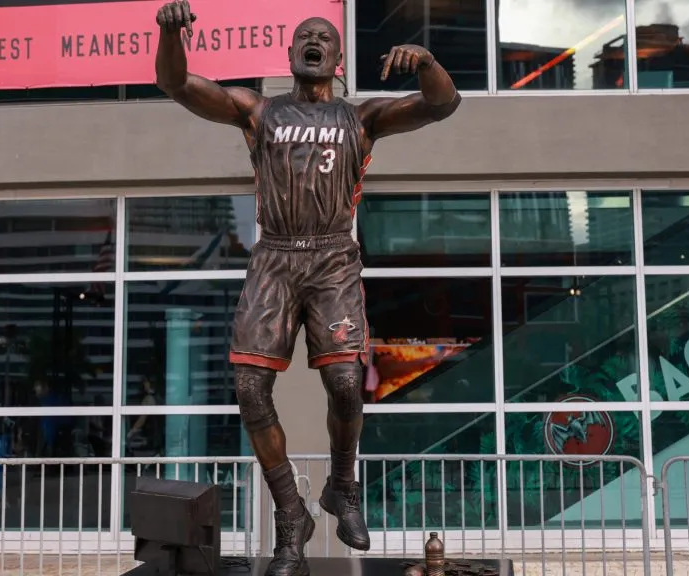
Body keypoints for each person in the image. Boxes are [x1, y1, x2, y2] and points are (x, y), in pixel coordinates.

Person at [155, 3, 461, 575]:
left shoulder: (361, 118)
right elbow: (175, 82)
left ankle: (342, 485)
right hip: (274, 257)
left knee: (346, 382)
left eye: (324, 36)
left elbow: (441, 103)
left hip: (331, 259)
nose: (313, 41)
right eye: (304, 37)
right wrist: (171, 32)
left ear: (338, 59)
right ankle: (291, 516)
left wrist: (427, 62)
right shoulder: (258, 111)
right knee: (249, 388)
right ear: (291, 56)